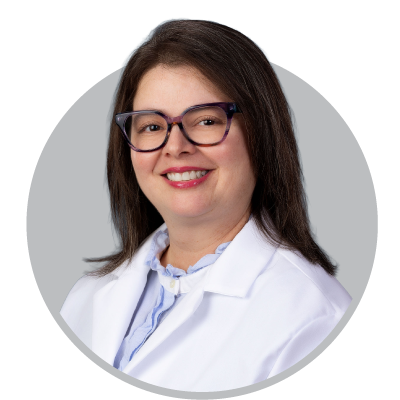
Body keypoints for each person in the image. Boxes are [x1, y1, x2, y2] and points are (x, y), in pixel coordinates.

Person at [60, 19, 352, 391]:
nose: (175, 147)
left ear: (261, 133)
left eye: (206, 121)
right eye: (151, 126)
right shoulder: (87, 296)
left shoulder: (315, 319)